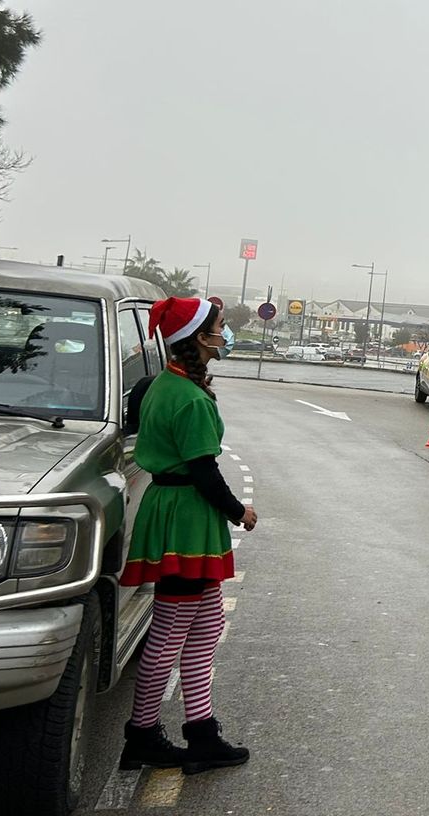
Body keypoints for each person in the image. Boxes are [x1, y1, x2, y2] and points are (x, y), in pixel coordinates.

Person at [117, 297, 255, 774]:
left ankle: (201, 732)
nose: (224, 334)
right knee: (171, 630)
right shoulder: (191, 399)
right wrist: (240, 512)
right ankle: (143, 734)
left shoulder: (158, 385)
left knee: (206, 622)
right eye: (219, 327)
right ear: (200, 338)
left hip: (175, 511)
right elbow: (203, 470)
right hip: (186, 518)